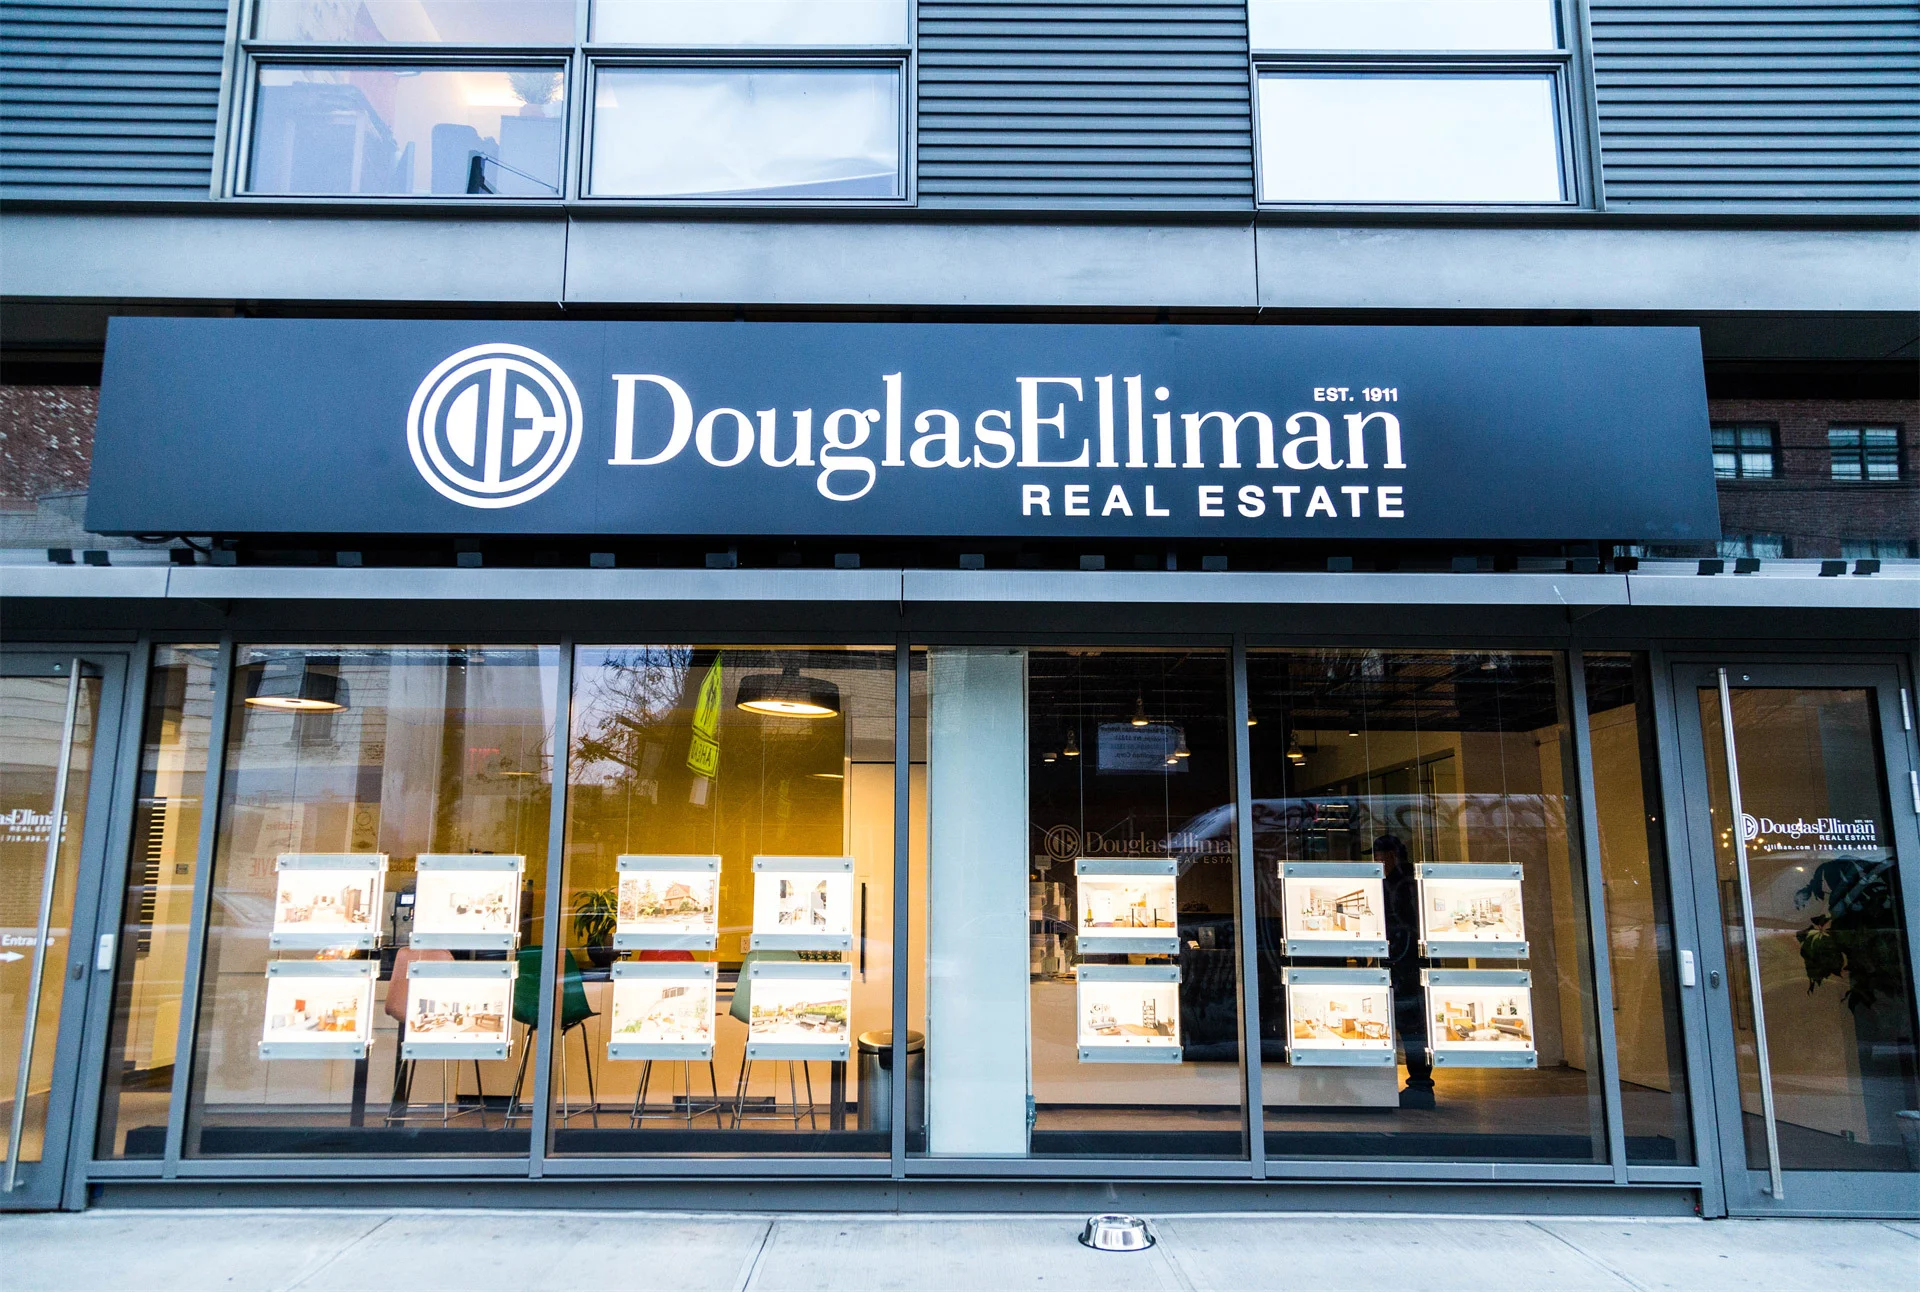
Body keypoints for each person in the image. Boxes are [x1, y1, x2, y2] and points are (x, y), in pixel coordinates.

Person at [1377, 832, 1434, 1109]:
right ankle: (1420, 1083)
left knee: (1411, 1025)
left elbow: (1404, 926)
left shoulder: (1398, 884)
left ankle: (1420, 1084)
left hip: (1405, 964)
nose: (1376, 862)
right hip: (1412, 961)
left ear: (1390, 856)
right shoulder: (1413, 881)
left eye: (1378, 856)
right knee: (1414, 1026)